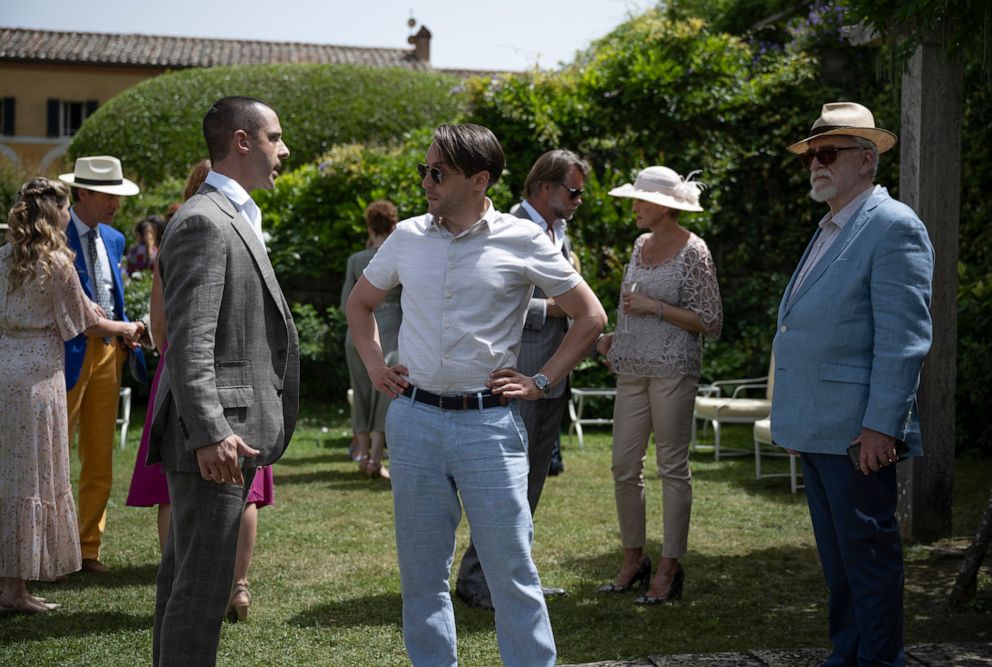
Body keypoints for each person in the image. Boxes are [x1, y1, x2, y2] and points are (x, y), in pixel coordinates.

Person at [346, 123, 606, 667]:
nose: (425, 181)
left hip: (488, 427)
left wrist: (540, 381)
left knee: (511, 570)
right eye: (424, 169)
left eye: (437, 171)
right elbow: (360, 303)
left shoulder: (523, 238)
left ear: (480, 179)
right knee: (421, 578)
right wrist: (374, 364)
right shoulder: (408, 236)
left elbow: (590, 315)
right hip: (413, 421)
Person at [771, 101, 933, 666]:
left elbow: (903, 340)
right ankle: (848, 658)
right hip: (821, 428)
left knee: (867, 560)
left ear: (866, 160)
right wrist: (796, 413)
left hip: (858, 435)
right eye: (811, 154)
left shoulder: (893, 226)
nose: (816, 162)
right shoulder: (832, 225)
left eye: (828, 152)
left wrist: (879, 427)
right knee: (840, 564)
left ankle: (880, 662)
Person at [150, 96, 299, 665]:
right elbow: (189, 340)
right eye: (275, 138)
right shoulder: (205, 222)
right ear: (242, 141)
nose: (283, 150)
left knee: (188, 584)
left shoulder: (230, 215)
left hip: (226, 434)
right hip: (218, 440)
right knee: (200, 591)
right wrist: (211, 432)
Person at [126, 158, 276, 623]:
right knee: (238, 494)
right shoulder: (210, 228)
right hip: (209, 381)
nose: (282, 151)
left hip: (186, 372)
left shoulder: (189, 227)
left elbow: (161, 325)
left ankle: (189, 582)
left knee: (177, 494)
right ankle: (234, 586)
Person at [0, 178, 143, 613]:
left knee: (7, 476)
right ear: (55, 213)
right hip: (39, 380)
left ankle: (9, 584)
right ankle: (14, 590)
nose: (67, 216)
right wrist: (129, 329)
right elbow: (83, 322)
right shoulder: (58, 262)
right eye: (63, 209)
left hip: (4, 372)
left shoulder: (4, 256)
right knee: (33, 477)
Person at [455, 148, 588, 610]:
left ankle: (511, 577)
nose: (578, 200)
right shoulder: (505, 225)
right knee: (505, 483)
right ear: (545, 187)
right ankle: (477, 581)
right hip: (517, 373)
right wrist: (551, 308)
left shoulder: (559, 231)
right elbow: (483, 294)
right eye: (573, 191)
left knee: (530, 482)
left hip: (550, 374)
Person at [595, 166, 722, 605]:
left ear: (666, 207)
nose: (633, 207)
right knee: (623, 466)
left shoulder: (694, 251)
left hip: (673, 369)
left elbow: (711, 321)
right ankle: (634, 558)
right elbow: (629, 302)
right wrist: (615, 335)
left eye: (641, 200)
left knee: (671, 467)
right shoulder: (638, 244)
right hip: (631, 368)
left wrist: (655, 308)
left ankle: (669, 565)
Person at [58, 154, 146, 574]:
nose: (116, 203)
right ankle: (54, 550)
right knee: (57, 454)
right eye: (109, 195)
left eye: (119, 195)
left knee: (100, 456)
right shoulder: (55, 236)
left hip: (111, 350)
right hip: (67, 354)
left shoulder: (113, 238)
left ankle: (87, 548)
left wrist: (127, 333)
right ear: (84, 193)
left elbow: (113, 295)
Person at [341, 199, 401, 479]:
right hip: (389, 332)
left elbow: (346, 304)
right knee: (385, 393)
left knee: (361, 392)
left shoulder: (355, 260)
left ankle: (362, 455)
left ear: (369, 226)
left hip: (355, 334)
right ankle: (377, 459)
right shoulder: (399, 256)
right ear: (393, 224)